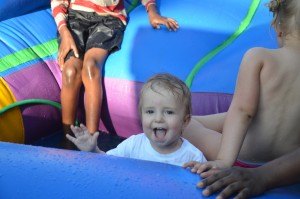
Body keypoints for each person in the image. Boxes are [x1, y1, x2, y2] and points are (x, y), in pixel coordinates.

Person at [182, 0, 300, 197]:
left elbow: (243, 111)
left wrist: (224, 161)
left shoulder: (259, 57)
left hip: (243, 159)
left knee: (184, 124)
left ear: (278, 27)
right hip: (285, 166)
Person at [50, 0, 179, 149]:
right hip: (75, 18)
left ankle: (91, 141)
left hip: (108, 19)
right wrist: (64, 31)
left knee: (91, 68)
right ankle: (67, 139)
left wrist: (152, 12)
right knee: (70, 71)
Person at [66, 73, 207, 166]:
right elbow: (109, 164)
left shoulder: (193, 158)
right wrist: (93, 150)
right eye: (150, 111)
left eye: (169, 112)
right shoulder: (134, 145)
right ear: (141, 115)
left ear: (185, 121)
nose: (158, 118)